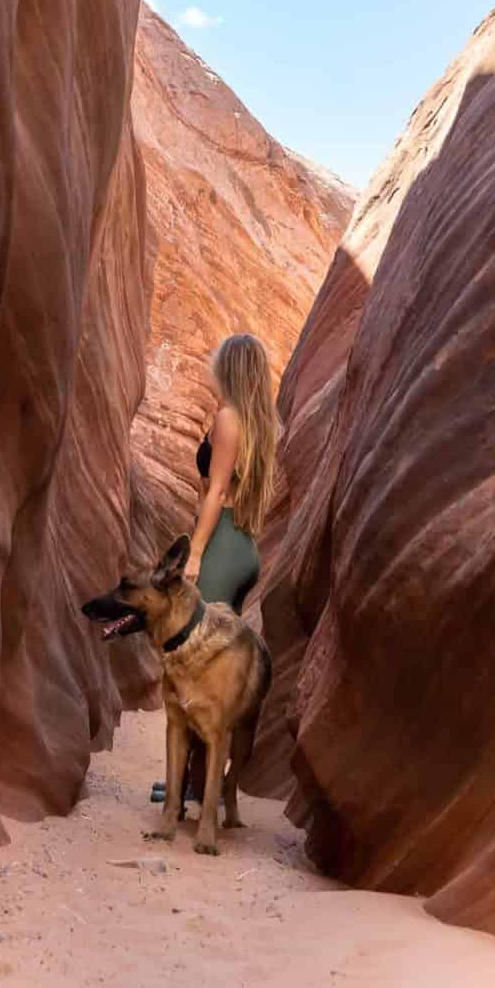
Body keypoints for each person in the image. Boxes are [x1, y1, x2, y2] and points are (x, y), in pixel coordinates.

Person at [151, 333, 278, 804]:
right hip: (245, 547)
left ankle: (193, 788)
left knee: (200, 671)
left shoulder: (228, 419)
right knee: (218, 671)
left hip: (221, 545)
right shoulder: (263, 424)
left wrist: (197, 553)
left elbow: (216, 492)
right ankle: (193, 781)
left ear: (230, 367)